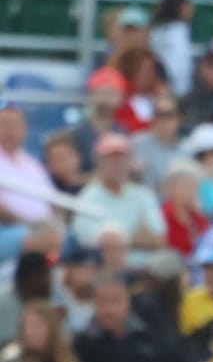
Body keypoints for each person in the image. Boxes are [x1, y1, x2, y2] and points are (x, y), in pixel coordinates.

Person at [0, 107, 57, 248]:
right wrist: (28, 224)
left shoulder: (33, 165)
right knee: (32, 239)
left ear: (24, 130)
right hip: (8, 231)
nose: (9, 131)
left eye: (14, 126)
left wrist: (52, 224)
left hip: (39, 229)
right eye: (4, 125)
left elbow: (53, 201)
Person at [71, 67, 127, 173]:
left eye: (111, 93)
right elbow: (72, 178)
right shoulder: (76, 135)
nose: (106, 98)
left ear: (121, 98)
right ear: (90, 96)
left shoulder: (123, 132)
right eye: (101, 93)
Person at [128, 96, 183, 191]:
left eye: (168, 115)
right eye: (158, 115)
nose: (163, 120)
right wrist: (133, 172)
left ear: (178, 119)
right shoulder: (136, 143)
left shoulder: (185, 150)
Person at [148, 0, 195, 96]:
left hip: (160, 86)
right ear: (179, 7)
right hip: (173, 88)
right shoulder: (178, 30)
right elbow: (179, 66)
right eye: (187, 5)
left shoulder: (155, 30)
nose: (191, 9)